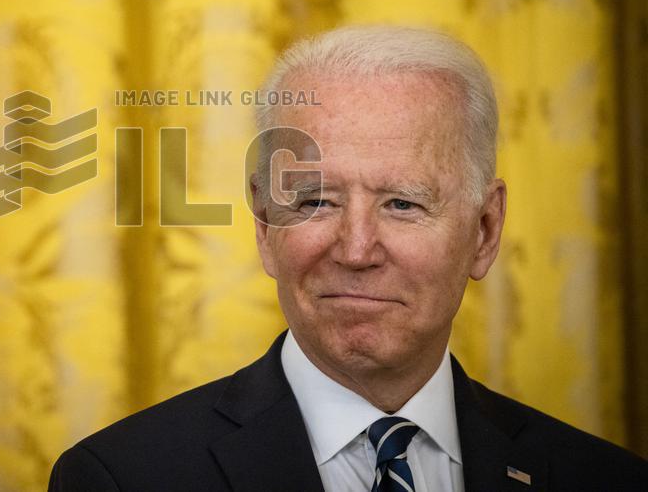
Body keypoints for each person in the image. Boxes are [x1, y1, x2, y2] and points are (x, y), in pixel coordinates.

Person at [49, 26, 648, 491]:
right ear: (265, 224)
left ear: (484, 231)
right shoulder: (123, 479)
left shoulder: (606, 481)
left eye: (403, 203)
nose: (357, 250)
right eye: (315, 200)